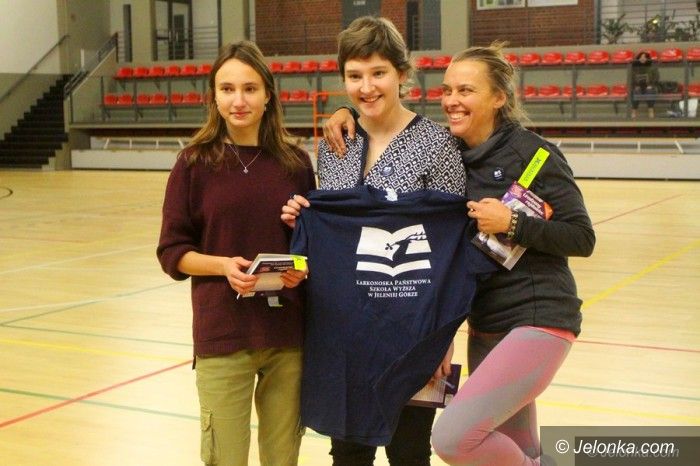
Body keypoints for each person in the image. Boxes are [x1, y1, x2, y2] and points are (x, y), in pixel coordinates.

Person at [323, 42, 595, 465]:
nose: (451, 100)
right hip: (485, 327)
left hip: (538, 320)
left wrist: (513, 223)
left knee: (454, 438)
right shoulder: (450, 152)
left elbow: (582, 237)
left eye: (466, 91)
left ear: (499, 97)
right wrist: (346, 113)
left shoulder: (534, 153)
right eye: (447, 90)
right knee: (521, 450)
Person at [281, 15, 468, 466]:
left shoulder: (438, 144)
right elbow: (336, 235)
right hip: (344, 332)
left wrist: (443, 338)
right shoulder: (335, 144)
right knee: (347, 453)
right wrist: (302, 219)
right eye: (354, 76)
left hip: (414, 332)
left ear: (402, 73)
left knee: (409, 453)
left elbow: (451, 248)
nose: (366, 87)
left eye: (378, 72)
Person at [156, 40, 315, 466]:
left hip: (286, 334)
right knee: (225, 457)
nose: (238, 100)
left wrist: (300, 268)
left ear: (268, 96)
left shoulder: (296, 163)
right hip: (223, 333)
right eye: (227, 89)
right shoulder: (192, 164)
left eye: (250, 88)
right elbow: (172, 252)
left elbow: (310, 246)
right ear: (214, 97)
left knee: (283, 458)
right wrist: (223, 266)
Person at [630, 50, 659, 119]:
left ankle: (651, 110)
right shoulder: (634, 67)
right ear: (638, 58)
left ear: (648, 58)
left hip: (650, 86)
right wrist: (635, 86)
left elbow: (656, 77)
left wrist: (651, 85)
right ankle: (634, 111)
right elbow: (631, 78)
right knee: (636, 91)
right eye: (641, 57)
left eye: (644, 57)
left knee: (650, 91)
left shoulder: (652, 67)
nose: (643, 58)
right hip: (637, 86)